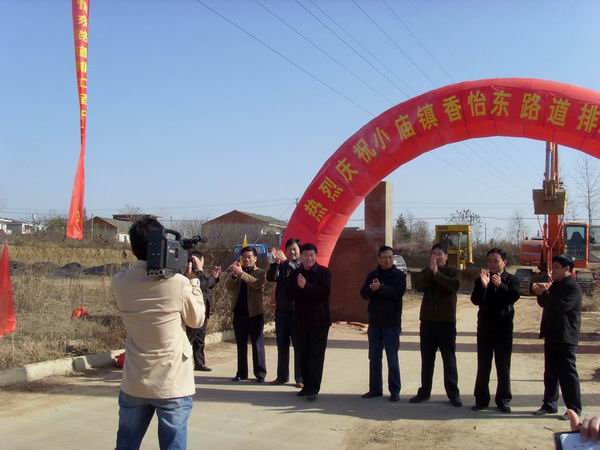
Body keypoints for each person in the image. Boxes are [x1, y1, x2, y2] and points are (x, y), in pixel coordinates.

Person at [112, 218, 205, 450]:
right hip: (171, 382)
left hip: (135, 380)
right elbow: (196, 320)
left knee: (126, 445)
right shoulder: (179, 283)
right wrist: (194, 281)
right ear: (161, 244)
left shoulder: (119, 282)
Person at [410, 243, 462, 407]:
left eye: (439, 253)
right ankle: (424, 392)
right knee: (427, 359)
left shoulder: (453, 272)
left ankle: (453, 394)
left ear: (446, 256)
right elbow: (418, 286)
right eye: (434, 253)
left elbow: (453, 286)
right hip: (427, 322)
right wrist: (431, 271)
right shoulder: (426, 271)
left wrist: (436, 273)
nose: (436, 257)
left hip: (446, 322)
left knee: (449, 359)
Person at [532, 255, 583, 419]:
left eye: (556, 267)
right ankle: (549, 404)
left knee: (567, 374)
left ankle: (573, 409)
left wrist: (545, 293)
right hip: (552, 334)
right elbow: (546, 303)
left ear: (567, 269)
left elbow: (562, 306)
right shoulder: (556, 285)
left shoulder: (573, 287)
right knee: (550, 373)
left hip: (565, 336)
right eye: (552, 266)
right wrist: (541, 293)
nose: (552, 270)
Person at [470, 248, 520, 413]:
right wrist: (484, 286)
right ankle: (481, 400)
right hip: (485, 329)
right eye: (489, 261)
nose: (492, 264)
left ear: (504, 262)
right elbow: (475, 300)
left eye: (495, 261)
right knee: (483, 366)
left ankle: (503, 400)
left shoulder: (511, 280)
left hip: (503, 330)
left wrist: (501, 286)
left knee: (503, 366)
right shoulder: (482, 279)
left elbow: (513, 297)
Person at [359, 245, 406, 402]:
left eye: (390, 257)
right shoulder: (373, 275)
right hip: (375, 323)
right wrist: (371, 288)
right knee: (374, 358)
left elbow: (398, 293)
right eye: (384, 257)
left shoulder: (399, 276)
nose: (387, 260)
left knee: (392, 359)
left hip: (391, 323)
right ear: (379, 259)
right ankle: (375, 389)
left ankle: (395, 390)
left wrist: (381, 288)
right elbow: (363, 294)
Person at [286, 243, 332, 401]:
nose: (309, 258)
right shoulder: (296, 273)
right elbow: (289, 294)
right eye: (306, 255)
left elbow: (324, 293)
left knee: (316, 356)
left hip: (320, 321)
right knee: (303, 355)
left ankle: (313, 388)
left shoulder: (324, 273)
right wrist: (299, 288)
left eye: (312, 255)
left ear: (315, 256)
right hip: (301, 321)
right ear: (301, 256)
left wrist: (306, 286)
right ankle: (306, 386)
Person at [226, 246, 267, 383]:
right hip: (239, 313)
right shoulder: (238, 271)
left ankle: (260, 373)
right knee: (241, 345)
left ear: (255, 258)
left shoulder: (260, 272)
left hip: (255, 314)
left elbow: (256, 284)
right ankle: (241, 373)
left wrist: (241, 273)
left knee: (257, 344)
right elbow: (228, 286)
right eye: (244, 257)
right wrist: (234, 275)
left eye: (249, 257)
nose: (247, 259)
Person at [266, 238, 303, 388]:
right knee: (282, 345)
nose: (292, 252)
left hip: (297, 312)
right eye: (289, 249)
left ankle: (300, 378)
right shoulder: (282, 265)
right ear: (286, 251)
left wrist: (286, 262)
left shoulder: (302, 266)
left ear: (299, 251)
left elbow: (296, 279)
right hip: (281, 311)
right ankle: (282, 377)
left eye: (295, 249)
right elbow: (270, 277)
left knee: (299, 346)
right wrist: (275, 263)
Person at [185, 250, 221, 372]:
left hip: (202, 313)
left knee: (199, 339)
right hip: (192, 312)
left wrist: (214, 277)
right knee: (188, 339)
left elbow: (206, 284)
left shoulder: (199, 274)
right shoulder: (188, 274)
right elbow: (203, 284)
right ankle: (184, 363)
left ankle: (199, 363)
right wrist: (200, 271)